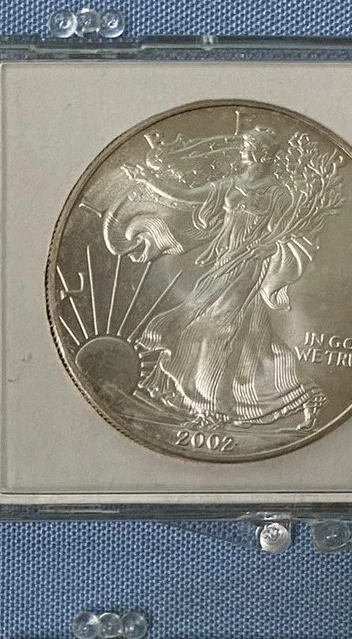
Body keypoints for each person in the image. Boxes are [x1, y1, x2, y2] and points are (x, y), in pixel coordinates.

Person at [104, 126, 331, 430]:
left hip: (248, 267)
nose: (243, 152)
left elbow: (281, 235)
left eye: (249, 147)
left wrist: (262, 248)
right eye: (245, 147)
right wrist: (149, 180)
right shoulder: (232, 184)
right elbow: (187, 196)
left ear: (263, 154)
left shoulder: (278, 194)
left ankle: (213, 407)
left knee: (213, 328)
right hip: (224, 263)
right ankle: (301, 394)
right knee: (248, 339)